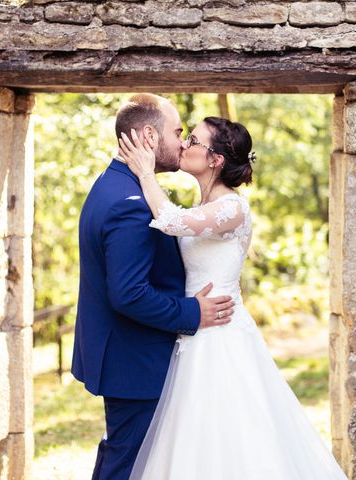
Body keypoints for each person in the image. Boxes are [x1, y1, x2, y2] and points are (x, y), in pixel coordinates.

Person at [118, 116, 349, 479]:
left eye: (193, 140)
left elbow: (172, 222)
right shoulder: (201, 204)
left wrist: (146, 173)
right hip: (195, 330)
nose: (184, 145)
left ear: (215, 159)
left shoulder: (233, 207)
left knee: (235, 435)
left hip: (222, 335)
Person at [71, 94, 236, 480]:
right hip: (135, 361)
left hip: (135, 356)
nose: (182, 142)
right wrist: (193, 312)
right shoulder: (129, 201)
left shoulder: (120, 186)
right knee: (128, 464)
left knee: (137, 458)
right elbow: (129, 293)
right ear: (148, 135)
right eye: (177, 132)